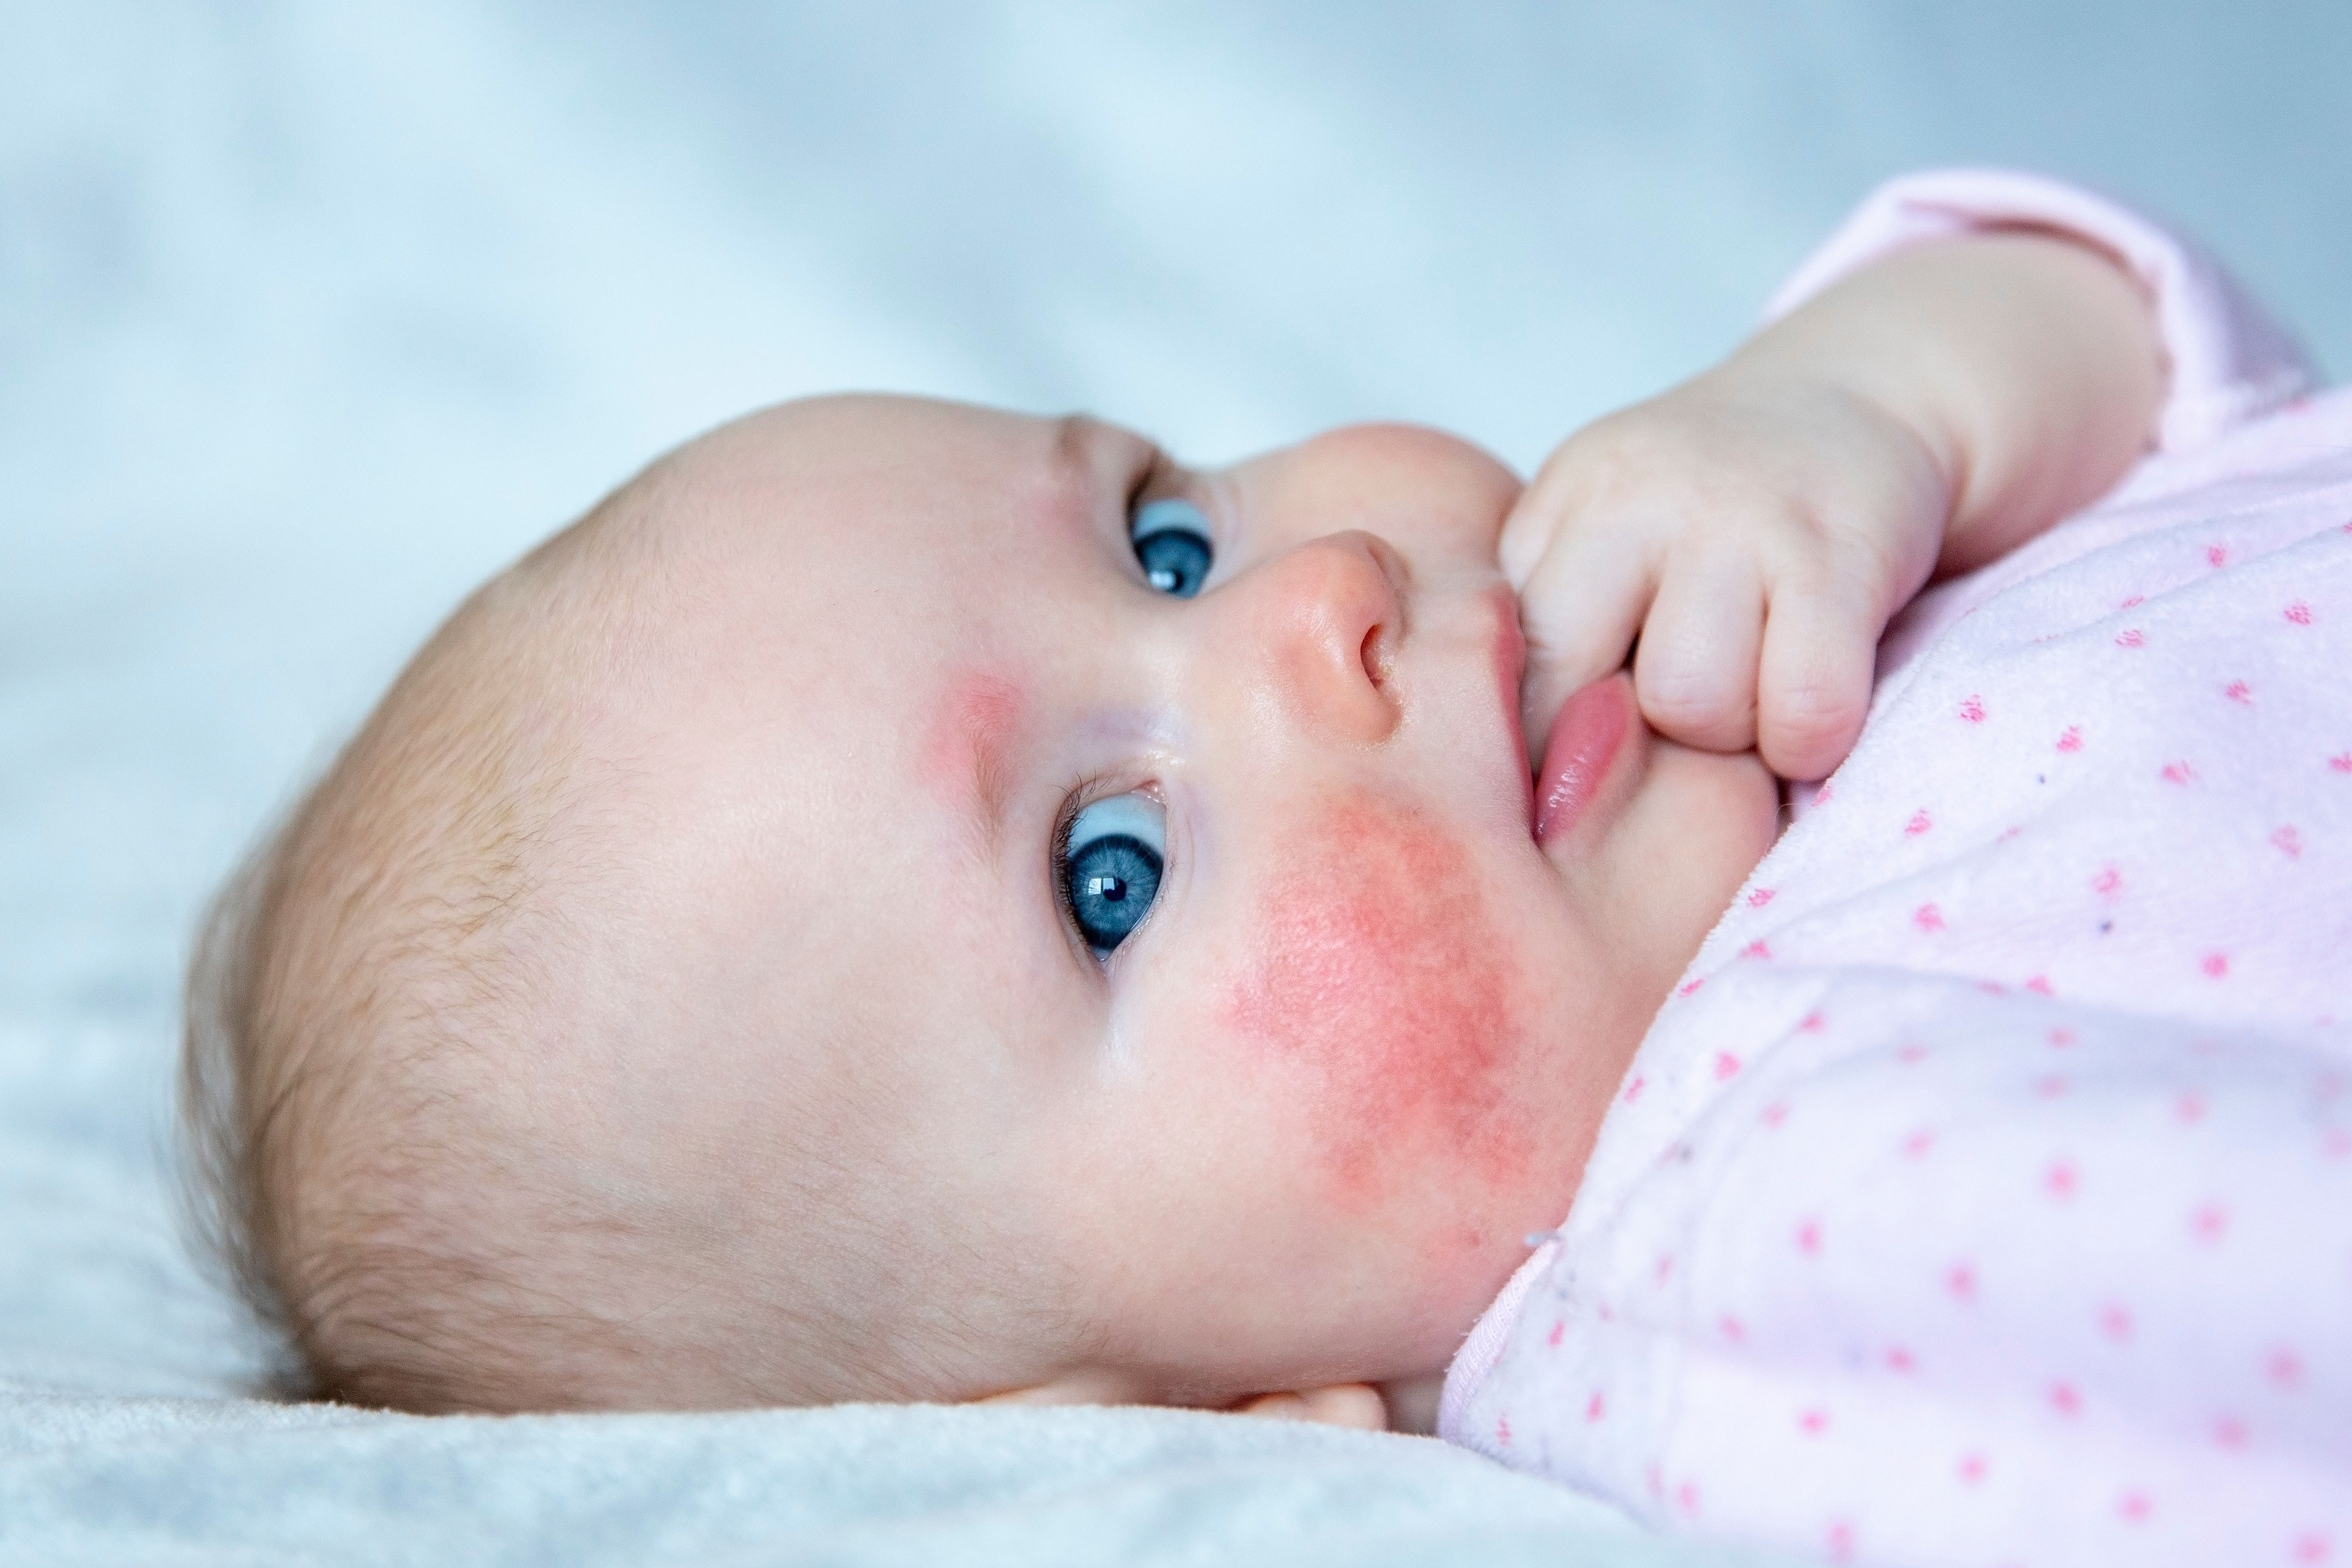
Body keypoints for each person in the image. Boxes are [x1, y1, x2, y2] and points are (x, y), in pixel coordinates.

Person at [181, 170, 2347, 1564]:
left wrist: (1849, 402)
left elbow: (2137, 340)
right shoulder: (1760, 1238)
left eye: (1163, 537)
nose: (1320, 602)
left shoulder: (1743, 541)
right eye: (1110, 874)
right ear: (1223, 1410)